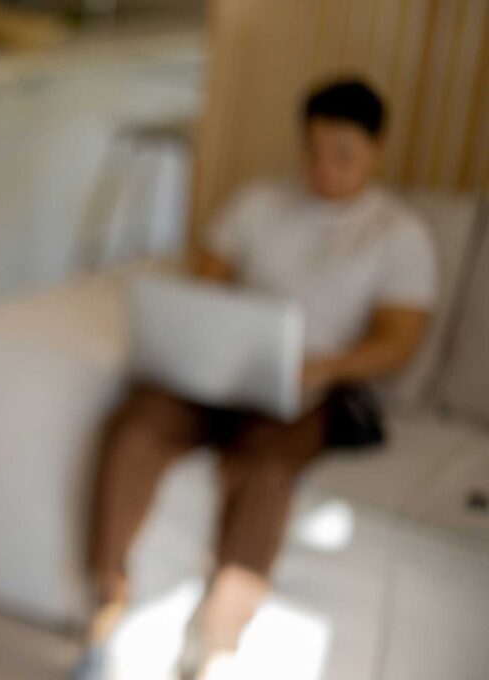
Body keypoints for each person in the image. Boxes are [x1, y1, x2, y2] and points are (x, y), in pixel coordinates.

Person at [74, 78, 438, 679]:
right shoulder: (258, 203)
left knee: (265, 471)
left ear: (376, 149)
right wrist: (201, 340)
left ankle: (216, 646)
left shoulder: (398, 235)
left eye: (343, 155)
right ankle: (107, 611)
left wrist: (319, 366)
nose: (325, 168)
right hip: (222, 371)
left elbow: (399, 342)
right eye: (314, 151)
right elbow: (206, 283)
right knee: (135, 426)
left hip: (313, 388)